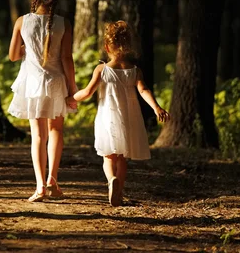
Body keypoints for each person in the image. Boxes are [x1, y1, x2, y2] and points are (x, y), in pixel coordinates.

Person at [73, 21, 170, 207]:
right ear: (129, 46)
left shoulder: (102, 70)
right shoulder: (134, 71)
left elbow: (87, 92)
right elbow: (144, 91)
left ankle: (111, 181)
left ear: (107, 46)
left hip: (108, 118)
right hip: (128, 119)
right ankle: (120, 191)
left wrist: (71, 98)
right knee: (122, 159)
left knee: (108, 156)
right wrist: (157, 107)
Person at [8, 0, 78, 202]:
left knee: (38, 135)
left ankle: (39, 187)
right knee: (56, 131)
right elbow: (66, 58)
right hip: (57, 82)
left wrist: (28, 46)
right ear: (55, 0)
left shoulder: (22, 22)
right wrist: (72, 88)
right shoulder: (63, 23)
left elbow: (13, 56)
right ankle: (52, 180)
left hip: (33, 83)